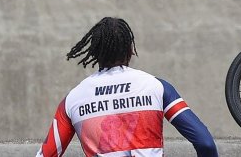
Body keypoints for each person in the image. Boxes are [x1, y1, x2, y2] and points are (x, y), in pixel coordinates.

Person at [36, 16, 218, 157]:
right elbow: (205, 143)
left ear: (95, 53)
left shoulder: (72, 100)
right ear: (131, 50)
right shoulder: (157, 87)